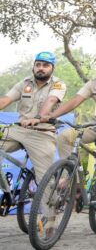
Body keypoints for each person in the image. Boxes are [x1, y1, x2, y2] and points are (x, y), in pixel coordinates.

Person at [32, 48, 96, 240]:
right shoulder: (94, 82)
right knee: (65, 136)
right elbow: (76, 100)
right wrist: (50, 116)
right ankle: (71, 178)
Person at [0, 52, 65, 203]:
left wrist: (36, 118)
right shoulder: (24, 83)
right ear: (34, 67)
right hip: (18, 131)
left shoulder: (58, 84)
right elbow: (5, 101)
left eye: (45, 65)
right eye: (38, 65)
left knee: (45, 181)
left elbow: (51, 100)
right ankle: (7, 192)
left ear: (52, 68)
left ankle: (51, 220)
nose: (41, 68)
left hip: (42, 133)